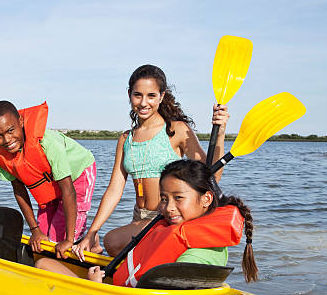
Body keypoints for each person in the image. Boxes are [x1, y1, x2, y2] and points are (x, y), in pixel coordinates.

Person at [73, 64, 230, 259]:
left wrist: (220, 134)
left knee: (111, 241)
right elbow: (114, 190)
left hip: (166, 218)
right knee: (115, 249)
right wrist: (92, 232)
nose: (143, 102)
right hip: (139, 218)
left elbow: (212, 176)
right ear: (129, 94)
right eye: (138, 95)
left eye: (151, 96)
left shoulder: (176, 130)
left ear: (162, 96)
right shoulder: (125, 139)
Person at [36, 159, 258, 285]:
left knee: (43, 267)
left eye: (178, 198)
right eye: (164, 198)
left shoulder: (199, 254)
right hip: (122, 288)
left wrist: (97, 287)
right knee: (44, 264)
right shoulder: (171, 229)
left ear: (206, 199)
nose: (168, 208)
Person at [0, 100, 98, 259]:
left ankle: (90, 245)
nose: (7, 139)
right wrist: (34, 230)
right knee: (43, 234)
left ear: (20, 121)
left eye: (11, 130)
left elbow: (68, 191)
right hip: (52, 180)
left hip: (77, 175)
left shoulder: (49, 143)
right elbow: (19, 191)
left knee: (57, 237)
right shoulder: (3, 154)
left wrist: (68, 239)